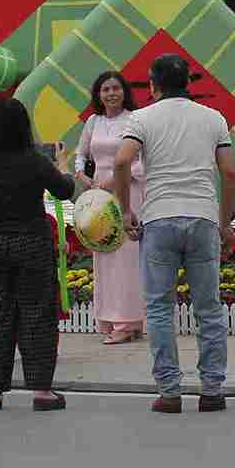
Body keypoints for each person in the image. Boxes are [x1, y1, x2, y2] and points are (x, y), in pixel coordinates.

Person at [114, 54, 235, 414]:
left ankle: (169, 392)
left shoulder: (142, 118)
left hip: (159, 219)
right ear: (188, 82)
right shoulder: (213, 118)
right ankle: (212, 390)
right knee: (208, 308)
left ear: (152, 86)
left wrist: (124, 211)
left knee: (159, 307)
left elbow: (122, 160)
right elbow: (229, 174)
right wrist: (224, 222)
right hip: (201, 219)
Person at [0, 98, 92, 411]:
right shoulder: (34, 160)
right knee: (37, 313)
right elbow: (64, 190)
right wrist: (62, 165)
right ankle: (41, 389)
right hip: (31, 242)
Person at [75, 71, 146, 344]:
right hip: (99, 198)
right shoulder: (93, 121)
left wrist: (115, 179)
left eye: (116, 88)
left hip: (128, 193)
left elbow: (143, 162)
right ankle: (111, 318)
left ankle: (129, 322)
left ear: (124, 91)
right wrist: (82, 176)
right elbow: (80, 154)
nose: (111, 93)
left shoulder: (135, 121)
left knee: (127, 258)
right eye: (105, 89)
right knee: (105, 255)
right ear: (98, 94)